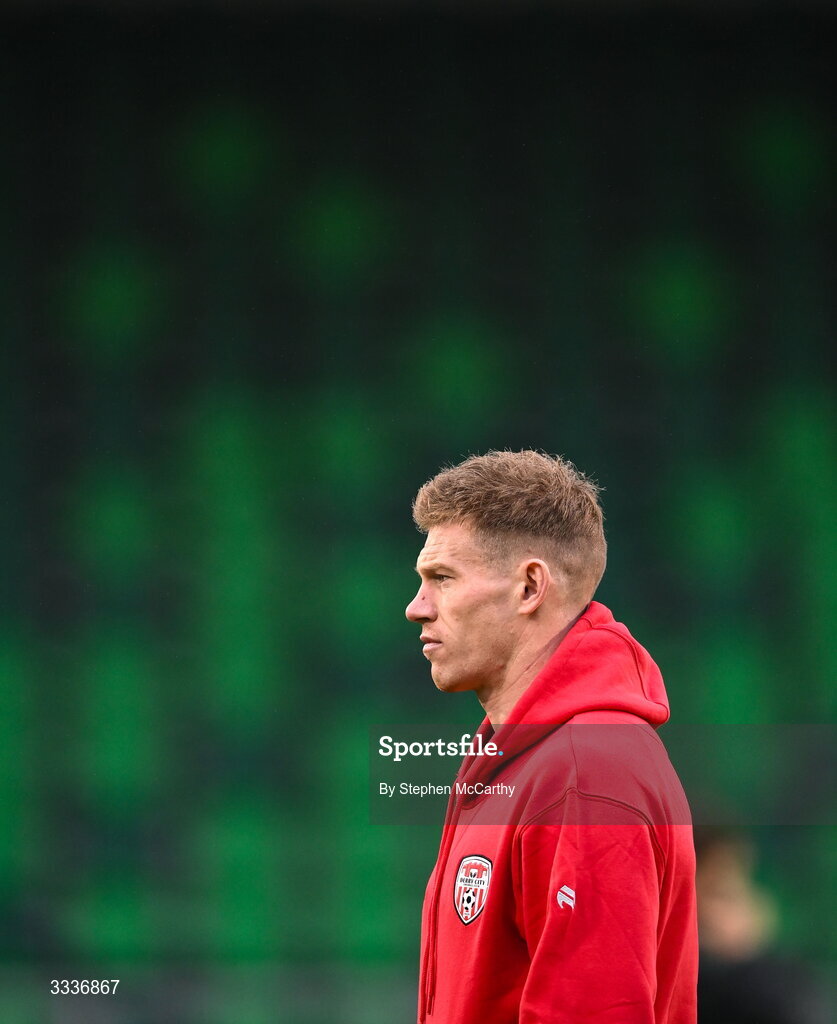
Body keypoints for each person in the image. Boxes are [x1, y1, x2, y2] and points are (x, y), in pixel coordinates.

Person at [405, 450, 698, 1024]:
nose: (417, 608)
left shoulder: (586, 771)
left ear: (529, 587)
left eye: (442, 578)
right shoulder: (531, 756)